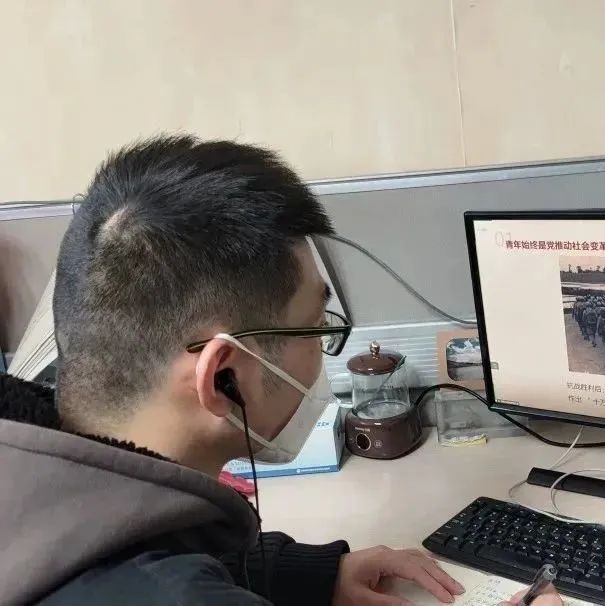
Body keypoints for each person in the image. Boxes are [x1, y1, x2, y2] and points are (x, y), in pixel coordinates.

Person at [0, 135, 476, 605]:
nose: (322, 349)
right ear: (220, 379)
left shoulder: (35, 484)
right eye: (315, 328)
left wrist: (314, 575)